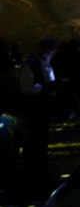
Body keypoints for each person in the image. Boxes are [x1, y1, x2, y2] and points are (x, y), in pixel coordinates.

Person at [18, 37, 59, 192]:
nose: (54, 54)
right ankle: (29, 180)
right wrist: (46, 86)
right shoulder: (30, 64)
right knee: (33, 145)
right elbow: (26, 90)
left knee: (42, 144)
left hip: (43, 110)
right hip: (34, 111)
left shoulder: (44, 63)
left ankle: (42, 176)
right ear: (45, 49)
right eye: (53, 50)